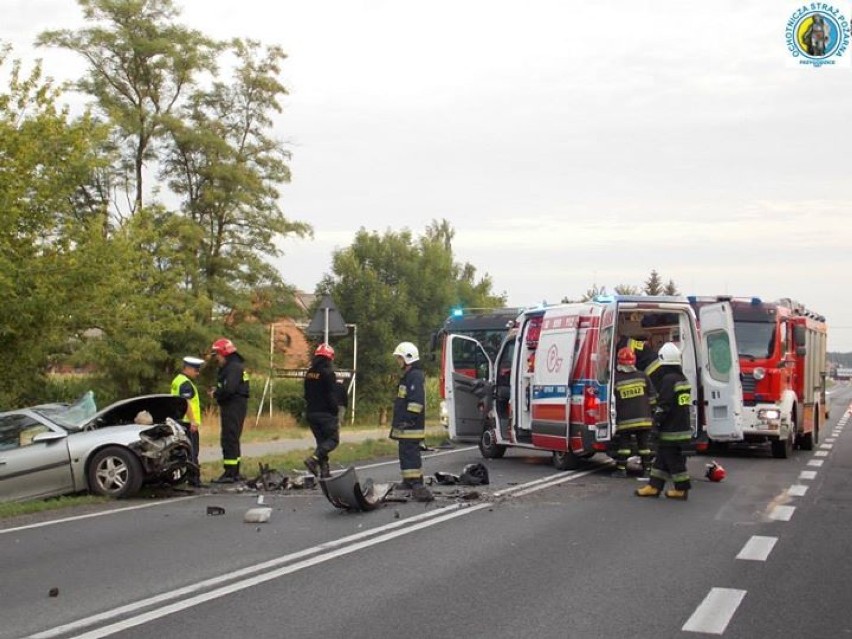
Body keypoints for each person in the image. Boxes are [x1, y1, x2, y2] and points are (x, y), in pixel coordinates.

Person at [635, 342, 692, 500]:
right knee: (661, 459)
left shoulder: (668, 380)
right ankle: (654, 486)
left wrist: (656, 424)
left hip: (671, 430)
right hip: (681, 426)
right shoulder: (682, 379)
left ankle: (681, 489)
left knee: (674, 461)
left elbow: (664, 405)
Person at [390, 341, 433, 502]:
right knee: (405, 452)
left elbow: (416, 402)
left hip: (411, 425)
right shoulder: (409, 376)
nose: (398, 361)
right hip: (406, 425)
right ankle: (409, 481)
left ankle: (416, 482)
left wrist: (408, 420)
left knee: (410, 453)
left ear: (408, 358)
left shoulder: (414, 376)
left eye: (400, 358)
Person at [209, 338, 250, 484]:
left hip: (233, 406)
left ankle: (230, 473)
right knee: (233, 438)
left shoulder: (233, 368)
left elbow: (229, 389)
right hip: (236, 405)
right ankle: (235, 471)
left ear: (223, 353)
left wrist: (216, 393)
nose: (217, 359)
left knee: (228, 439)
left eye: (217, 356)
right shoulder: (236, 366)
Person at [611, 346, 656, 479]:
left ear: (619, 361)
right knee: (644, 446)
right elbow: (653, 398)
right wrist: (652, 413)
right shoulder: (643, 376)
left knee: (624, 446)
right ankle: (647, 469)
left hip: (625, 421)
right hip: (644, 420)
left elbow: (611, 399)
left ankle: (621, 470)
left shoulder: (616, 378)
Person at [303, 343, 340, 478]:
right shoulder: (328, 373)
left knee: (321, 442)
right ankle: (313, 460)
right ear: (329, 358)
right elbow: (331, 394)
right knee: (333, 440)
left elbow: (306, 394)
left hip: (311, 413)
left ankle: (325, 471)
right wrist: (335, 410)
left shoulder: (310, 373)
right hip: (325, 414)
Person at [170, 356, 205, 487]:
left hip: (179, 421)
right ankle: (194, 480)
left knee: (184, 452)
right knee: (192, 452)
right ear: (188, 368)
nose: (197, 373)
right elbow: (187, 403)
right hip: (187, 423)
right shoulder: (185, 383)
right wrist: (193, 421)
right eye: (196, 370)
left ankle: (185, 478)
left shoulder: (177, 380)